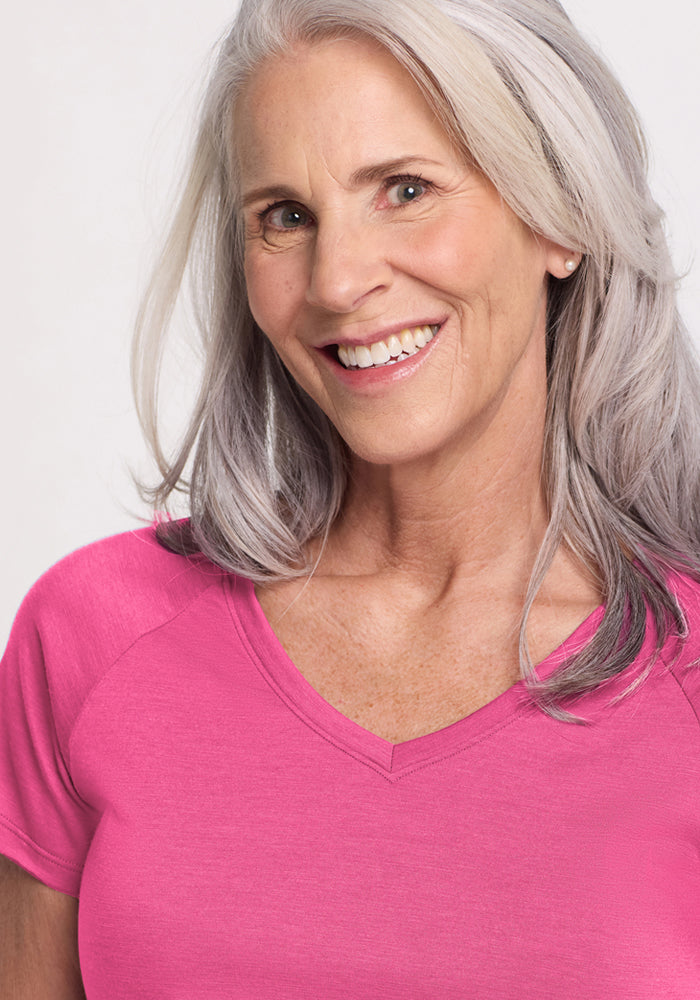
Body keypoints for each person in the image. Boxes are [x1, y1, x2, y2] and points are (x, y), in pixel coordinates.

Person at [2, 0, 700, 995]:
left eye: (405, 190)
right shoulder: (90, 636)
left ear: (560, 218)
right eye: (284, 216)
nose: (336, 280)